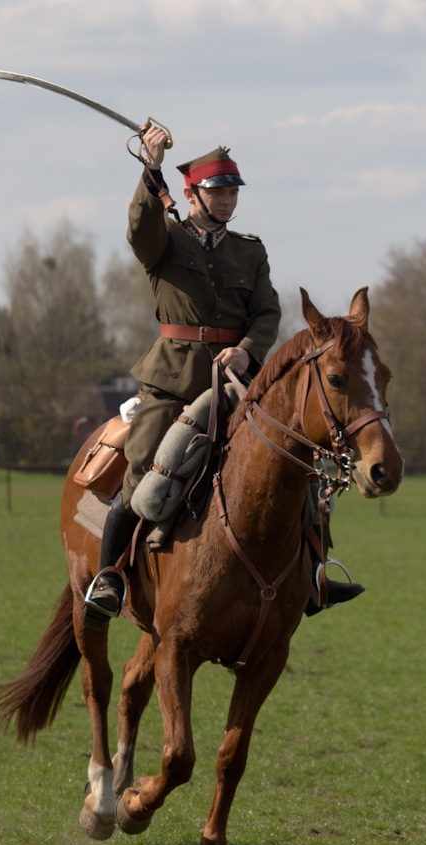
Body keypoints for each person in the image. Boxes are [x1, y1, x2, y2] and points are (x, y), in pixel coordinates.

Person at [85, 129, 362, 621]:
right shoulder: (164, 242)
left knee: (295, 462)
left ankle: (316, 572)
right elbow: (138, 229)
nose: (228, 201)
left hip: (236, 382)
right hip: (174, 379)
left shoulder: (250, 251)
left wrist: (246, 351)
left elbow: (267, 313)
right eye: (218, 192)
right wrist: (151, 167)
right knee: (143, 462)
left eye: (233, 192)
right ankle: (110, 576)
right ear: (191, 194)